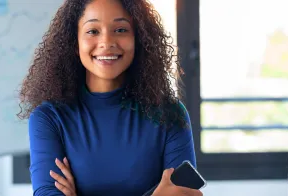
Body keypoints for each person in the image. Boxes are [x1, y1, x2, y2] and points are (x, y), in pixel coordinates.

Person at [18, 0, 202, 195]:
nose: (107, 42)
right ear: (74, 42)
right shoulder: (49, 118)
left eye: (121, 30)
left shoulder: (171, 115)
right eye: (93, 31)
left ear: (138, 38)